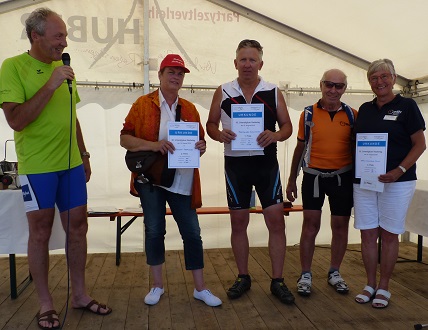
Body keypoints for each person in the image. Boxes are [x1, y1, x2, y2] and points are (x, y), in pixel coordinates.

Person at [0, 8, 112, 330]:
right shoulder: (13, 67)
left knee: (78, 226)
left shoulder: (63, 69)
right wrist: (49, 84)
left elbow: (70, 116)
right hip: (38, 168)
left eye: (64, 35)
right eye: (58, 36)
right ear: (36, 36)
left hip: (71, 165)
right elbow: (16, 120)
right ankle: (46, 303)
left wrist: (85, 153)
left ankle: (79, 294)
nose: (64, 42)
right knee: (40, 231)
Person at [120, 54, 222, 307]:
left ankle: (200, 288)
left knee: (192, 233)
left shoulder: (189, 108)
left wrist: (200, 146)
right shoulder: (142, 104)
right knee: (154, 231)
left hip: (183, 180)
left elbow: (200, 143)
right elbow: (125, 139)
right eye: (171, 72)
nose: (176, 77)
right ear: (160, 75)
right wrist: (154, 145)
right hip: (150, 180)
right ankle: (156, 286)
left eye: (180, 73)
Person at [206, 39, 295, 304]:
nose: (247, 64)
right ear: (235, 63)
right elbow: (210, 124)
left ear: (260, 64)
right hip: (236, 167)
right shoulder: (222, 91)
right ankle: (243, 276)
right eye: (243, 59)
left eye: (252, 59)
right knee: (238, 224)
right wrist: (220, 134)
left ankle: (277, 280)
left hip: (266, 165)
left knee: (276, 223)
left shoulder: (273, 90)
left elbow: (288, 126)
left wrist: (275, 135)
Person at [353, 59, 426, 308]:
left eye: (384, 76)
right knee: (368, 233)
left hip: (398, 181)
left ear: (394, 79)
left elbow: (420, 144)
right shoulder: (364, 109)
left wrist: (399, 170)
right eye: (374, 78)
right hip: (365, 181)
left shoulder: (407, 106)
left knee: (390, 233)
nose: (380, 82)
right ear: (369, 82)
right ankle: (370, 283)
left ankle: (384, 286)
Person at [286, 69, 357, 297]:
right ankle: (305, 274)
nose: (333, 90)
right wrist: (291, 180)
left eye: (339, 86)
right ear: (321, 85)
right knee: (310, 225)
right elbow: (300, 148)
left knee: (340, 226)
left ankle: (334, 272)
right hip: (313, 177)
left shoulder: (353, 115)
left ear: (345, 89)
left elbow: (360, 150)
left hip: (342, 177)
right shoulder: (307, 114)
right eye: (329, 84)